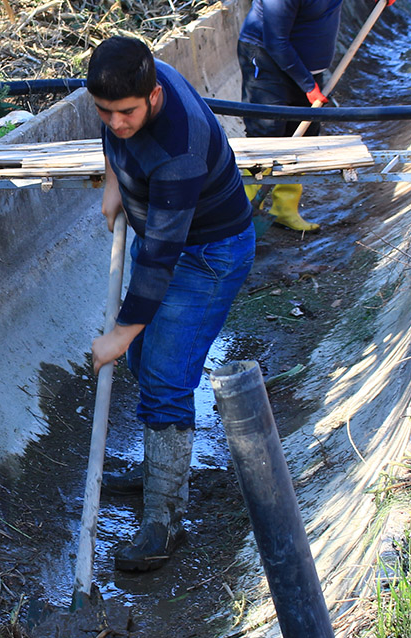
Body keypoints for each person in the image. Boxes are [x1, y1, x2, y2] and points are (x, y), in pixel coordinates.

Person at [86, 36, 256, 572]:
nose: (115, 122)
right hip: (165, 234)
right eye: (104, 112)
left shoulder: (178, 150)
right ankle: (158, 468)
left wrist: (121, 330)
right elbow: (116, 140)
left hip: (208, 255)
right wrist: (115, 179)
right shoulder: (126, 90)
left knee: (163, 374)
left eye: (126, 113)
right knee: (143, 360)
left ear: (154, 97)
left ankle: (163, 522)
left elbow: (160, 261)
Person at [238, 0, 343, 232]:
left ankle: (285, 209)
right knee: (266, 135)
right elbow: (276, 41)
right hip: (267, 59)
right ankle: (241, 212)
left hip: (307, 67)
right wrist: (308, 85)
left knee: (303, 134)